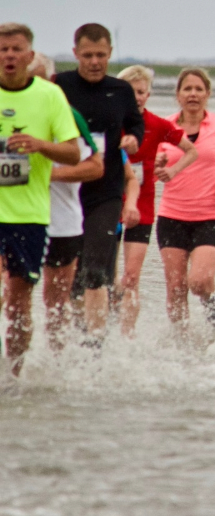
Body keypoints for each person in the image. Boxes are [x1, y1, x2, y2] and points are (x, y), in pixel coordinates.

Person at [51, 24, 145, 345]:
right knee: (71, 274)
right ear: (75, 53)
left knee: (95, 269)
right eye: (88, 55)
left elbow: (135, 124)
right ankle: (74, 334)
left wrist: (133, 139)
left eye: (101, 55)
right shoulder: (59, 86)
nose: (94, 62)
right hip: (67, 191)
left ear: (110, 54)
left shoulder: (120, 90)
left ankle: (95, 343)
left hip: (106, 192)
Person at [0, 24, 82, 374]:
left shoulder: (50, 96)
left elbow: (73, 153)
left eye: (16, 49)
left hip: (29, 216)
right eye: (3, 50)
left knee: (18, 304)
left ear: (30, 56)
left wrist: (38, 145)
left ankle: (14, 376)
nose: (9, 56)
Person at [155, 68, 215, 330]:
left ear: (207, 94)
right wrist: (157, 165)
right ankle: (181, 342)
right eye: (187, 89)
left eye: (198, 89)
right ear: (178, 95)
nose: (193, 94)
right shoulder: (165, 127)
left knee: (200, 282)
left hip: (209, 215)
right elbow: (152, 171)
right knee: (175, 287)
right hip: (171, 215)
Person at [114, 65, 198, 337]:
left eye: (140, 92)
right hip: (109, 203)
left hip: (143, 206)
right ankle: (104, 328)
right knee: (107, 279)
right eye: (130, 92)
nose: (136, 97)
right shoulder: (111, 123)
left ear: (148, 94)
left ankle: (128, 336)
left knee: (131, 278)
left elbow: (191, 150)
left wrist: (171, 170)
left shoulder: (158, 124)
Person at [29, 52, 103, 352]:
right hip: (11, 216)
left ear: (50, 81)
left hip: (61, 221)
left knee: (54, 303)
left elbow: (96, 167)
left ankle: (55, 364)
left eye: (35, 79)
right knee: (9, 292)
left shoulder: (67, 114)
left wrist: (51, 174)